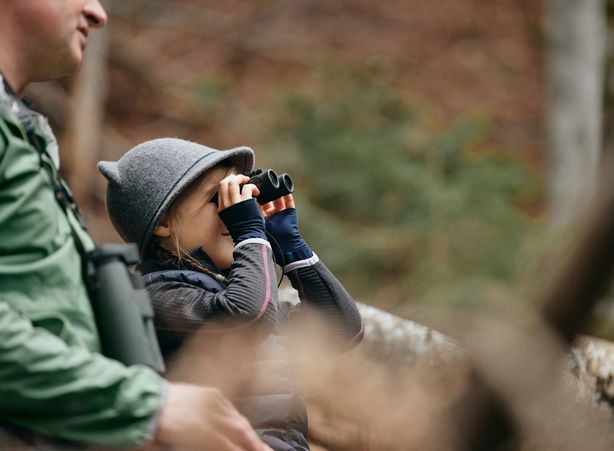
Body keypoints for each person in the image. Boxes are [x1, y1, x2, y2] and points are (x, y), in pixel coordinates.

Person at [0, 1, 270, 450]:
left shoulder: (19, 128)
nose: (97, 12)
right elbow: (246, 310)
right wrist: (146, 406)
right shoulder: (171, 288)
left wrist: (288, 243)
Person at [97, 138, 365, 450]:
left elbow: (341, 330)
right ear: (164, 224)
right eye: (218, 199)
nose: (236, 210)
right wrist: (250, 233)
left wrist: (292, 247)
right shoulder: (157, 294)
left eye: (238, 197)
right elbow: (249, 316)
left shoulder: (238, 289)